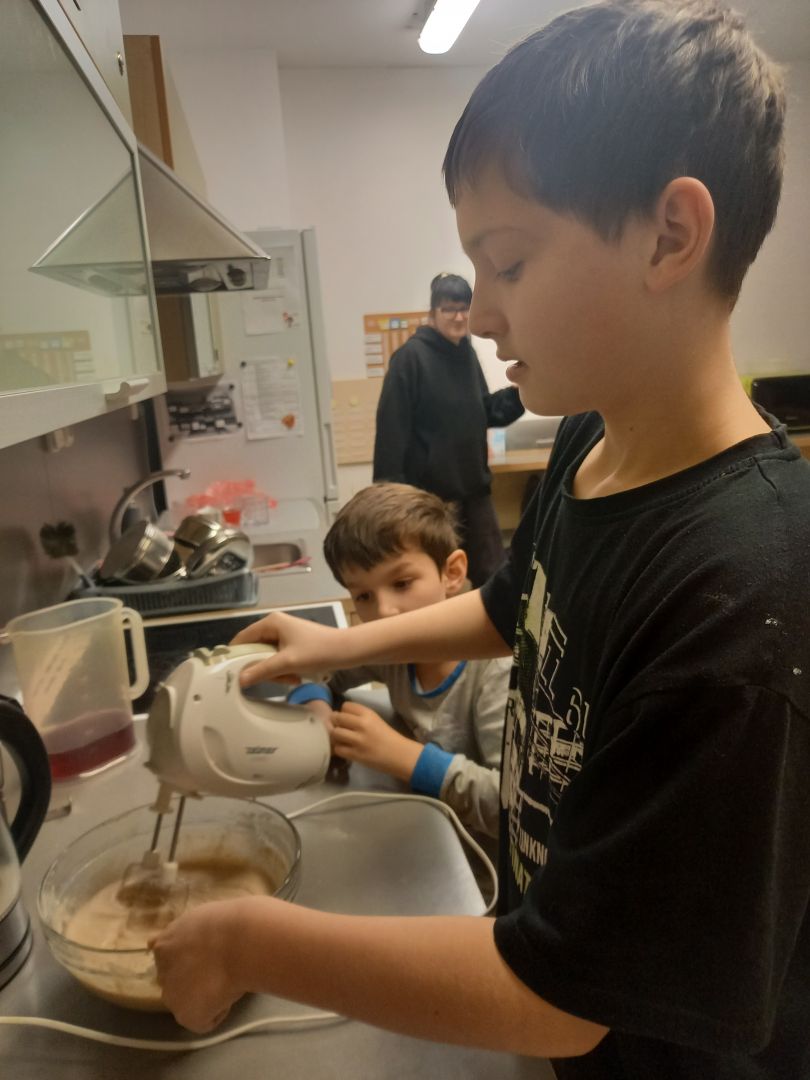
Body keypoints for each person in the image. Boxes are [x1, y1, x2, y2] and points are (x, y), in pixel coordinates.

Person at [151, 3, 810, 1077]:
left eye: (508, 261)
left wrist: (249, 941)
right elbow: (514, 609)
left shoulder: (744, 593)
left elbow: (567, 999)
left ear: (669, 235)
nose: (485, 312)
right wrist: (335, 645)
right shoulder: (592, 442)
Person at [285, 481, 509, 838]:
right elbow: (316, 669)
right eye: (364, 596)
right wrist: (317, 710)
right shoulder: (392, 651)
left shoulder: (497, 671)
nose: (384, 612)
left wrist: (406, 757)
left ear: (452, 573)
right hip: (431, 832)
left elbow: (515, 808)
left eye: (402, 583)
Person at [373, 271, 524, 587]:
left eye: (464, 308)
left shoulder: (466, 353)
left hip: (474, 490)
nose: (458, 317)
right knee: (433, 583)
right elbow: (390, 436)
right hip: (431, 500)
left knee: (494, 580)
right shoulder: (410, 359)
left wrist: (522, 390)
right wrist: (392, 504)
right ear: (433, 313)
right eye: (449, 309)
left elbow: (483, 411)